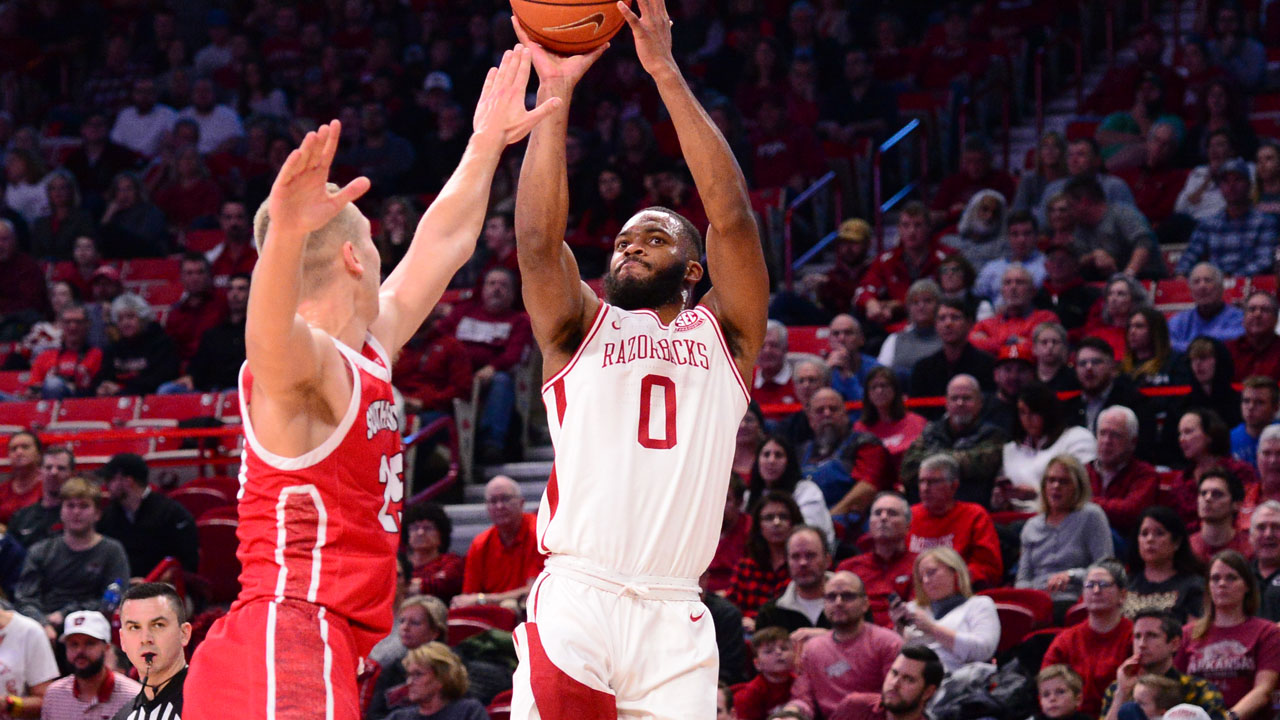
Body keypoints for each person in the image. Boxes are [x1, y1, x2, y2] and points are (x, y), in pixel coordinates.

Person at [186, 46, 560, 719]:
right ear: (356, 255)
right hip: (286, 633)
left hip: (313, 638)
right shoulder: (307, 363)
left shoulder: (366, 348)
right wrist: (283, 243)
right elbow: (265, 341)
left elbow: (441, 244)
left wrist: (485, 143)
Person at [437, 266, 533, 462]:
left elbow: (514, 355)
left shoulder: (519, 321)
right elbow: (437, 336)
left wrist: (492, 368)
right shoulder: (462, 312)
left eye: (503, 285)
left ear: (514, 293)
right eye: (492, 283)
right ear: (483, 289)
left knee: (501, 380)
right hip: (454, 373)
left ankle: (490, 445)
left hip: (488, 376)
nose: (497, 289)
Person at [15, 477, 129, 640]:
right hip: (42, 627)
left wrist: (66, 615)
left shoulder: (112, 551)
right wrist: (42, 624)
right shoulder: (40, 550)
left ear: (97, 513)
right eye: (70, 506)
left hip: (92, 629)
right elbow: (25, 597)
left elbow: (113, 599)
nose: (76, 512)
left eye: (84, 506)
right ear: (61, 511)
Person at [783, 571, 904, 720]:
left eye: (847, 596)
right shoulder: (812, 649)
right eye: (831, 597)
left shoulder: (888, 642)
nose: (838, 602)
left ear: (865, 604)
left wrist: (856, 704)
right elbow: (803, 698)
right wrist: (791, 713)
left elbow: (898, 697)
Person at [1177, 550, 1280, 719]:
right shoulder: (1188, 634)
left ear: (1247, 585)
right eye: (1215, 578)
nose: (1222, 584)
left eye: (1231, 578)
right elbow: (1175, 688)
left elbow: (1263, 691)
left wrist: (1227, 717)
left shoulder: (1267, 633)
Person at [1016, 455, 1115, 608]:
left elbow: (1106, 568)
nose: (1056, 486)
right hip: (1038, 602)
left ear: (1078, 486)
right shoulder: (1031, 526)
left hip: (1075, 599)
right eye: (1051, 480)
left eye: (1064, 481)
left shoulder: (1091, 516)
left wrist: (1072, 575)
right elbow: (1023, 579)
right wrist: (1029, 598)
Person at [1042, 560, 1135, 716]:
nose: (1096, 590)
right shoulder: (1066, 640)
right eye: (1090, 585)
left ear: (1122, 594)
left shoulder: (1135, 636)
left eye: (1104, 584)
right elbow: (1045, 687)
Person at [1101, 609, 1229, 720]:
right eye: (1137, 636)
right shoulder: (1118, 689)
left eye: (1152, 635)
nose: (1141, 644)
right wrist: (1122, 694)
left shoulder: (1198, 689)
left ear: (1174, 644)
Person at [900, 376, 1007, 508]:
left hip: (972, 510)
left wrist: (931, 463)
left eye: (967, 398)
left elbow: (981, 465)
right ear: (946, 403)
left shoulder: (993, 435)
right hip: (925, 510)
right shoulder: (930, 432)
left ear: (980, 403)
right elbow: (908, 469)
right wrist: (958, 462)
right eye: (954, 398)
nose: (960, 403)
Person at [889, 547, 998, 672]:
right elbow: (892, 660)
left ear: (955, 572)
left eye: (931, 572)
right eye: (920, 578)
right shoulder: (912, 609)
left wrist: (933, 629)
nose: (925, 581)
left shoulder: (979, 605)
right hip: (912, 681)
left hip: (961, 682)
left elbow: (983, 651)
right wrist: (898, 630)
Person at [906, 454, 1003, 588]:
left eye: (933, 482)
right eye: (921, 481)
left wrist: (948, 582)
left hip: (958, 595)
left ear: (954, 486)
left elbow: (988, 568)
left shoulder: (974, 515)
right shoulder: (908, 515)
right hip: (911, 594)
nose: (925, 488)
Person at [96, 453, 199, 577]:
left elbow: (187, 563)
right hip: (120, 588)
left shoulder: (172, 514)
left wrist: (153, 583)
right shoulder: (108, 516)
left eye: (110, 479)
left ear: (128, 482)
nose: (106, 486)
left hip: (162, 590)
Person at [999, 384, 1098, 511]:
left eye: (1034, 412)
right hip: (1015, 519)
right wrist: (1000, 499)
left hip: (1062, 517)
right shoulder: (1010, 450)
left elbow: (1085, 490)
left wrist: (1037, 494)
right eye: (1023, 412)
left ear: (1047, 411)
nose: (1028, 419)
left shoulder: (1076, 438)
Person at [452, 476, 544, 609]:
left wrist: (482, 599)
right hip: (490, 613)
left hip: (528, 611)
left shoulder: (539, 533)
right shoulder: (480, 543)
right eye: (493, 501)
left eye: (505, 499)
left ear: (521, 502)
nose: (499, 506)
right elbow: (468, 596)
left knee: (510, 605)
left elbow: (535, 590)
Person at [798, 387, 892, 518]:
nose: (827, 414)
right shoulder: (800, 452)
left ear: (845, 415)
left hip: (848, 523)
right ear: (811, 420)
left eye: (833, 409)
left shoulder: (865, 444)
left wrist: (827, 519)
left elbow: (867, 488)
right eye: (820, 411)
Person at [42, 610, 142, 720]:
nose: (80, 651)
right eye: (73, 644)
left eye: (89, 643)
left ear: (106, 648)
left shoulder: (134, 698)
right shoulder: (55, 695)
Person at [838, 492, 916, 627]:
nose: (883, 517)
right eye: (877, 513)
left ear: (908, 525)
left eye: (892, 513)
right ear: (870, 523)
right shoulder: (848, 568)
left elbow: (917, 615)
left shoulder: (920, 564)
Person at [114, 583, 190, 720]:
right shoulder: (123, 716)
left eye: (158, 625)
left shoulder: (209, 703)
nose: (145, 639)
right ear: (122, 640)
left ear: (184, 633)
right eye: (134, 627)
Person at [1089, 405, 1162, 546]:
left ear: (1133, 442)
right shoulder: (1083, 470)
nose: (1106, 441)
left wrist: (1085, 503)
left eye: (1115, 435)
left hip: (1126, 544)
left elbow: (1130, 512)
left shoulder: (1145, 474)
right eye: (1102, 433)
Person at [366, 596, 449, 720]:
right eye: (402, 621)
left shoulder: (452, 667)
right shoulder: (392, 669)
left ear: (435, 631)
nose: (405, 627)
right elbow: (375, 715)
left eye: (415, 623)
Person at [747, 434, 835, 547]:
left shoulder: (807, 492)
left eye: (778, 455)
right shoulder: (749, 496)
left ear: (789, 462)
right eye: (766, 455)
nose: (771, 460)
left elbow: (810, 536)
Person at [728, 492, 801, 620]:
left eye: (783, 517)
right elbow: (730, 609)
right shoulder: (745, 568)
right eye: (769, 518)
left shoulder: (802, 565)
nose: (776, 523)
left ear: (794, 522)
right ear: (758, 525)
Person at [1125, 506, 1206, 622]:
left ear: (1177, 542)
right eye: (1144, 533)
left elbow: (1195, 634)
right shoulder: (1126, 584)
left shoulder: (1193, 587)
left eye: (1159, 533)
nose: (1150, 539)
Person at [908, 299, 996, 401]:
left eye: (955, 318)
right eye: (942, 318)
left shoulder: (988, 365)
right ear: (936, 325)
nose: (948, 324)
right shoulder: (923, 368)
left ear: (970, 324)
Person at [93, 294, 179, 397]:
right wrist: (103, 387)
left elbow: (160, 379)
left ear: (143, 318)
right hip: (117, 399)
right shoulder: (113, 348)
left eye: (130, 317)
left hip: (150, 400)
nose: (125, 323)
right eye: (120, 319)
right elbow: (102, 376)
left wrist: (122, 389)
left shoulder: (162, 344)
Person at [829, 645, 945, 720]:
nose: (895, 683)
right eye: (894, 673)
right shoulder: (855, 707)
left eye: (908, 679)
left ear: (928, 692)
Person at [754, 526, 833, 634]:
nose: (803, 563)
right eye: (795, 556)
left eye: (810, 555)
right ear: (787, 562)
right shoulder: (770, 614)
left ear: (827, 560)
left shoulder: (851, 603)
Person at [968, 265, 1059, 355]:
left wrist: (990, 343)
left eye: (1020, 282)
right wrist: (1013, 341)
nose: (1013, 287)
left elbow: (1043, 350)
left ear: (1032, 291)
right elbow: (971, 344)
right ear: (1002, 291)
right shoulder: (986, 324)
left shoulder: (1045, 318)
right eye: (1007, 283)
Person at [383, 643, 489, 720]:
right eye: (409, 675)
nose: (409, 682)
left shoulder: (468, 711)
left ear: (442, 678)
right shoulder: (398, 717)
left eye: (418, 674)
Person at [24, 305, 103, 400]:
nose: (73, 327)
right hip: (42, 405)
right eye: (67, 322)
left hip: (80, 406)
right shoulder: (44, 355)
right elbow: (33, 388)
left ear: (87, 324)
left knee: (53, 384)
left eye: (78, 322)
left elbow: (98, 390)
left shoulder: (97, 354)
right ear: (60, 325)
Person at [854, 367, 927, 463]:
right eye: (873, 387)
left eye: (884, 385)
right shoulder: (860, 428)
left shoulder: (917, 422)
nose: (879, 391)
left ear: (895, 390)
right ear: (867, 394)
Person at [1167, 264, 1245, 353]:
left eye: (1208, 280)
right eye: (1196, 282)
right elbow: (1167, 344)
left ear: (1221, 288)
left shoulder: (1239, 318)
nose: (1202, 286)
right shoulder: (1179, 321)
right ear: (1190, 290)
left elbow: (1226, 344)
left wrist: (1186, 346)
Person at [876, 280, 942, 380]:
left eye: (927, 301)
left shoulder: (947, 338)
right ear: (909, 308)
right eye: (915, 302)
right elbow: (882, 376)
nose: (921, 306)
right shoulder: (895, 339)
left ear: (939, 306)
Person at [10, 446, 73, 551]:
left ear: (72, 474)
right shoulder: (21, 517)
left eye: (61, 468)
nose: (54, 472)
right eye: (48, 467)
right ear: (40, 473)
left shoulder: (79, 516)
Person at [402, 502, 463, 604]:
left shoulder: (452, 562)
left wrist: (405, 585)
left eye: (428, 528)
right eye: (415, 528)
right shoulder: (399, 563)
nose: (420, 532)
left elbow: (444, 585)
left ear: (441, 534)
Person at [732, 626, 795, 720]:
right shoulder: (749, 695)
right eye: (769, 651)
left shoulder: (801, 683)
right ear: (757, 664)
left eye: (784, 648)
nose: (778, 652)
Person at [1189, 470, 1252, 564]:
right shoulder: (1187, 547)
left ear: (1237, 505)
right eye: (1203, 493)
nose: (1207, 498)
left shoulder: (1250, 548)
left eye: (1217, 494)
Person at [825, 314, 881, 402]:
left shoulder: (876, 369)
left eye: (848, 333)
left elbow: (871, 405)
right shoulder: (821, 369)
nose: (841, 338)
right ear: (829, 340)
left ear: (861, 339)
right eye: (836, 334)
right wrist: (826, 373)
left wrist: (847, 375)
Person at [1227, 293, 1280, 384]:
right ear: (1243, 318)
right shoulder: (1228, 350)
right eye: (1251, 309)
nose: (1257, 314)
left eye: (1265, 310)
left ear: (1276, 319)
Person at [1232, 377, 1280, 470]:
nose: (1250, 407)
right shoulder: (1230, 439)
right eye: (1246, 401)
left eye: (1259, 402)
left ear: (1275, 408)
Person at [0, 431, 43, 525]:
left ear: (39, 454)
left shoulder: (49, 488)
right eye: (14, 449)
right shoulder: (2, 490)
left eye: (25, 447)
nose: (19, 452)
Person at [1249, 500, 1280, 621]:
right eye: (1261, 527)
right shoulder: (1239, 576)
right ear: (1250, 537)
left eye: (1276, 527)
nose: (1268, 534)